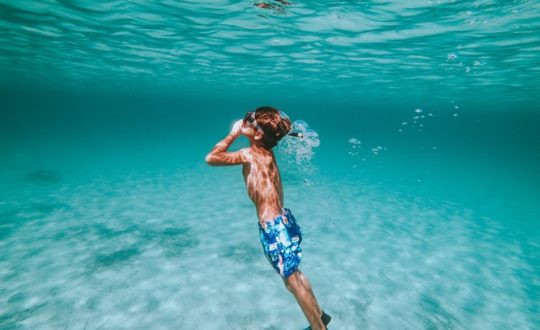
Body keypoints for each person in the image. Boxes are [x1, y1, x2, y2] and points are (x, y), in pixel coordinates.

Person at [206, 106, 331, 330]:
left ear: (258, 134)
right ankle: (319, 317)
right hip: (284, 221)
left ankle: (319, 328)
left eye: (247, 121)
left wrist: (234, 133)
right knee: (295, 279)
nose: (243, 122)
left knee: (292, 282)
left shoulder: (250, 154)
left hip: (273, 228)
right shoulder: (265, 150)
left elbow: (212, 158)